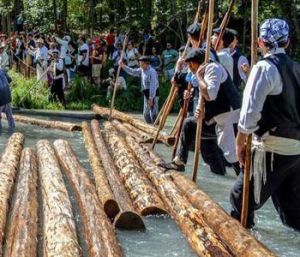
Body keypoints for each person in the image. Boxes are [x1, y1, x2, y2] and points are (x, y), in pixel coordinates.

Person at [230, 18, 300, 231]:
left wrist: (240, 143)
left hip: (271, 147)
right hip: (296, 149)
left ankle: (240, 244)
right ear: (287, 43)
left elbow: (249, 114)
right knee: (292, 210)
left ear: (260, 42)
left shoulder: (264, 68)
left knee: (240, 198)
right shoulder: (297, 68)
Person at [161, 48, 241, 175]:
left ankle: (245, 185)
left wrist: (198, 77)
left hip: (229, 118)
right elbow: (203, 97)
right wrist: (200, 110)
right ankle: (180, 161)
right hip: (216, 120)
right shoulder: (204, 71)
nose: (189, 68)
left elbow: (210, 94)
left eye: (189, 65)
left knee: (234, 155)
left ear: (194, 63)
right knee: (189, 124)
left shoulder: (212, 68)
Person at [120, 56, 159, 124]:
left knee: (153, 111)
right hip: (146, 92)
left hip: (153, 93)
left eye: (141, 63)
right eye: (140, 63)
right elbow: (133, 72)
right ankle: (149, 126)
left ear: (146, 64)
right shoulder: (142, 69)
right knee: (146, 112)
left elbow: (153, 85)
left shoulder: (152, 71)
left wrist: (151, 97)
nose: (140, 65)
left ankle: (155, 126)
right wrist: (123, 66)